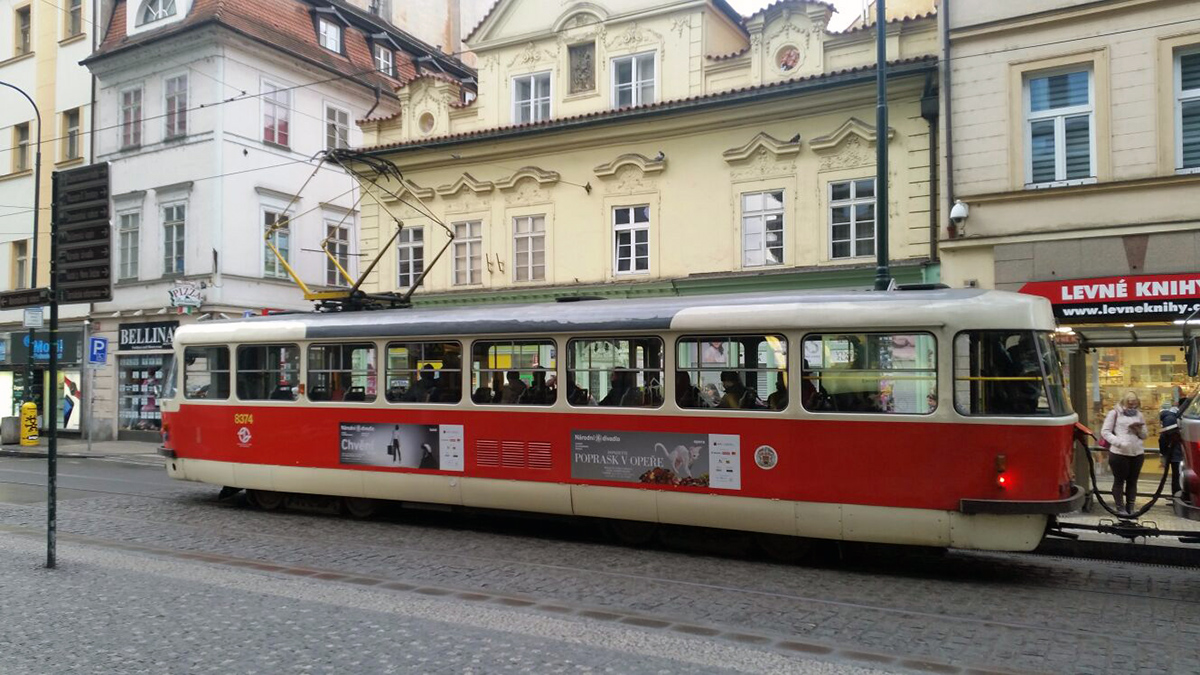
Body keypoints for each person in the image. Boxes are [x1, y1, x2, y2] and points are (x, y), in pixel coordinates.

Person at [1101, 391, 1148, 517]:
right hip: (1119, 453)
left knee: (1133, 481)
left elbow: (1145, 435)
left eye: (1134, 402)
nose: (1132, 405)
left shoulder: (1139, 415)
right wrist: (1119, 443)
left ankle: (1130, 507)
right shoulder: (1114, 413)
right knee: (1119, 481)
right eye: (1130, 402)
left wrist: (1138, 431)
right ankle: (1120, 507)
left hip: (1137, 453)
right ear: (1124, 401)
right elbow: (1105, 432)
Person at [1159, 396, 1187, 498]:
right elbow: (1163, 437)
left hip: (1176, 453)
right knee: (1178, 475)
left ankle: (1176, 495)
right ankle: (1177, 496)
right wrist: (1164, 453)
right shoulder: (1172, 418)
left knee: (1177, 475)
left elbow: (1163, 437)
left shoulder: (1171, 417)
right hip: (1176, 453)